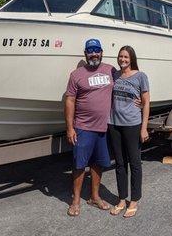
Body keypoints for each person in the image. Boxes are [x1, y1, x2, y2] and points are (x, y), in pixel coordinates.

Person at [64, 38, 115, 217]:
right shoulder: (76, 74)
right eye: (90, 51)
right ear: (85, 54)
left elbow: (124, 85)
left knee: (98, 164)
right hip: (83, 127)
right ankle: (75, 201)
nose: (94, 54)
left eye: (97, 50)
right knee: (79, 165)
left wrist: (139, 99)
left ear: (102, 52)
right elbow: (69, 100)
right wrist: (70, 128)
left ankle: (95, 197)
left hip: (103, 128)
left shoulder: (110, 70)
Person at [108, 45, 150, 218]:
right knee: (119, 163)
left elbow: (146, 102)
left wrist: (144, 127)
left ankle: (134, 200)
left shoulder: (141, 76)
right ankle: (122, 199)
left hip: (132, 124)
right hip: (114, 124)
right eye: (120, 57)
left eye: (126, 57)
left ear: (131, 59)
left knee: (135, 163)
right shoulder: (115, 75)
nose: (122, 60)